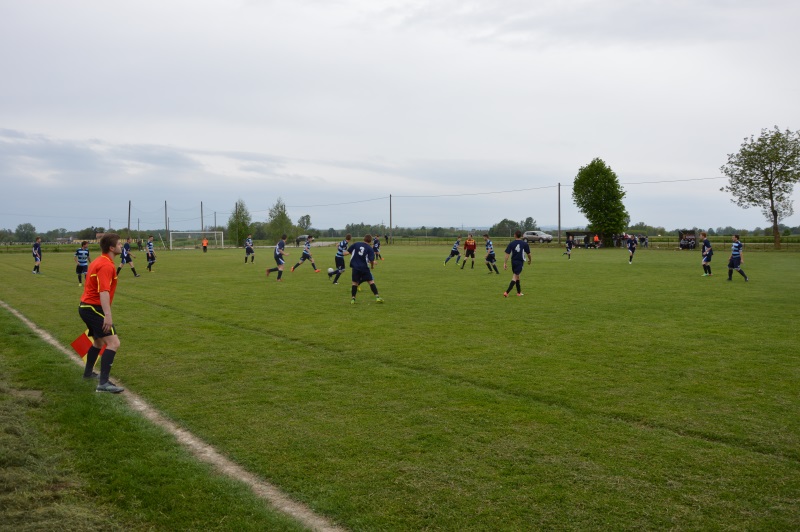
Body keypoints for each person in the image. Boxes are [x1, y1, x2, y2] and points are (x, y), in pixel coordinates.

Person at [78, 233, 125, 393]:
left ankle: (88, 373)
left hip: (86, 307)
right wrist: (108, 315)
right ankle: (103, 383)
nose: (121, 246)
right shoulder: (106, 265)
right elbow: (103, 291)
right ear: (111, 248)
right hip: (93, 308)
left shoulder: (99, 261)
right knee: (113, 343)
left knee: (98, 342)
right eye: (119, 244)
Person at [348, 234, 383, 304]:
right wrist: (372, 266)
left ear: (364, 239)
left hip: (355, 267)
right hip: (364, 268)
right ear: (370, 241)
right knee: (371, 282)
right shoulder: (369, 248)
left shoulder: (356, 244)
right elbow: (371, 260)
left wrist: (355, 256)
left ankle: (353, 299)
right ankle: (377, 297)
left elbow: (349, 251)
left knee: (354, 283)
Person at [503, 231, 531, 297]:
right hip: (520, 262)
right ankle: (507, 292)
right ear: (521, 236)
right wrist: (530, 260)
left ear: (515, 235)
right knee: (515, 276)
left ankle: (519, 292)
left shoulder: (511, 243)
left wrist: (505, 263)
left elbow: (507, 254)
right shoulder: (524, 244)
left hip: (513, 262)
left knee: (517, 276)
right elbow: (528, 254)